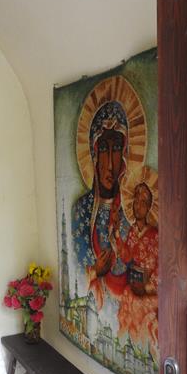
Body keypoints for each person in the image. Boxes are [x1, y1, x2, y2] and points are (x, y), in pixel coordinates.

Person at [72, 101, 130, 309]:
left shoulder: (131, 210)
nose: (111, 164)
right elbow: (77, 273)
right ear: (94, 154)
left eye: (117, 149)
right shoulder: (81, 210)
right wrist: (95, 270)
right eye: (104, 149)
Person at [114, 175, 158, 360]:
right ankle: (126, 349)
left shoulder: (155, 235)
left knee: (139, 307)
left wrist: (147, 288)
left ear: (149, 207)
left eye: (143, 203)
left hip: (150, 291)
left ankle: (142, 354)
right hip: (134, 286)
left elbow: (160, 268)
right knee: (127, 296)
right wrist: (117, 234)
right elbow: (127, 256)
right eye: (136, 202)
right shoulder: (132, 231)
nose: (138, 206)